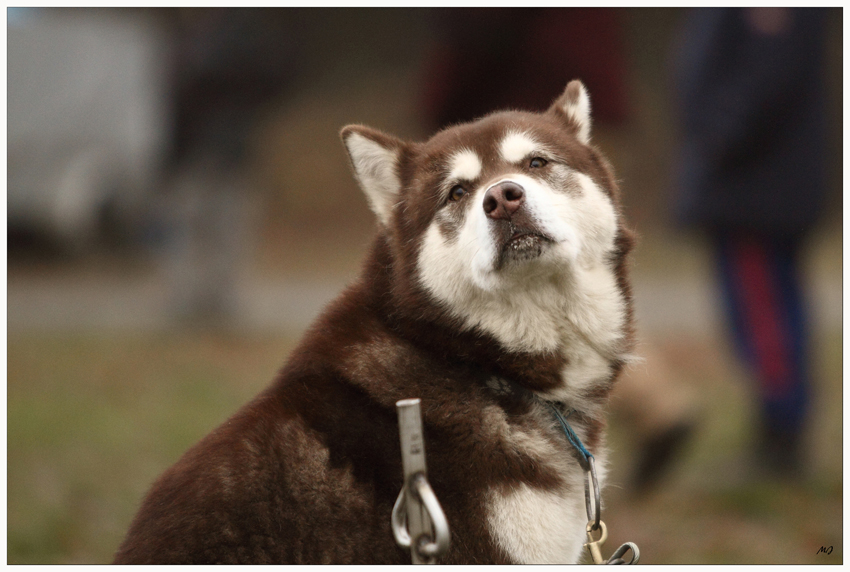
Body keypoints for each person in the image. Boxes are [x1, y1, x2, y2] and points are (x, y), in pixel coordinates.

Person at [671, 8, 829, 478]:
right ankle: (777, 432)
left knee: (765, 317)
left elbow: (769, 70)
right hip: (753, 185)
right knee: (761, 314)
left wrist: (718, 135)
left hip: (756, 188)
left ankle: (781, 440)